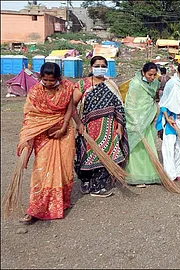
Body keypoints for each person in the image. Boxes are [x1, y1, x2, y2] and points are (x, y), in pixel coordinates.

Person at [17, 62, 75, 224]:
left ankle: (59, 203)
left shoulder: (67, 87)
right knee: (41, 171)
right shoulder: (35, 92)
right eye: (45, 80)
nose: (48, 83)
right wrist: (27, 138)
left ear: (58, 78)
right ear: (40, 77)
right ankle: (35, 209)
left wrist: (63, 127)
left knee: (64, 168)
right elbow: (30, 117)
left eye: (52, 80)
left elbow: (70, 108)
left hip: (64, 132)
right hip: (43, 136)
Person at [73, 55, 129, 197]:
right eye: (97, 66)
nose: (100, 68)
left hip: (109, 126)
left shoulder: (111, 85)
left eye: (103, 66)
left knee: (106, 154)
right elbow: (72, 106)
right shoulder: (83, 84)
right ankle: (86, 182)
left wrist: (120, 127)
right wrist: (78, 123)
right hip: (88, 128)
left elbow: (119, 107)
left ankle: (99, 185)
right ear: (91, 67)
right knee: (86, 154)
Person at [124, 62, 161, 187]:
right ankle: (136, 176)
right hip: (136, 122)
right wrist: (135, 121)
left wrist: (152, 113)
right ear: (143, 73)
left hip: (148, 120)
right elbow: (130, 105)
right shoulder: (135, 84)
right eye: (150, 74)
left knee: (149, 147)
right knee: (137, 149)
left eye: (154, 75)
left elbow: (152, 100)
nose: (152, 77)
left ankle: (150, 174)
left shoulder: (155, 83)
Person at [157, 62, 180, 182]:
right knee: (169, 147)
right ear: (178, 73)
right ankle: (170, 175)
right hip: (171, 118)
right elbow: (163, 102)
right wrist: (167, 118)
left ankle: (179, 172)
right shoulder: (171, 83)